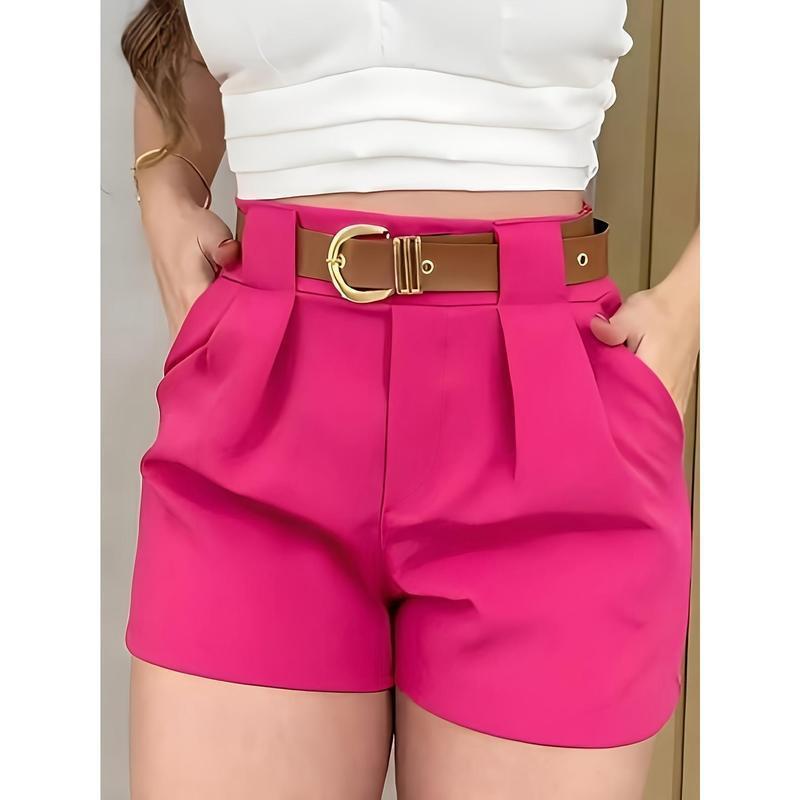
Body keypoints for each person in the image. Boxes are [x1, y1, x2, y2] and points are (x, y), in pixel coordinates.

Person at [121, 1, 699, 797]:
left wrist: (694, 304)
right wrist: (164, 184)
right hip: (259, 406)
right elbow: (179, 39)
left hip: (549, 418)